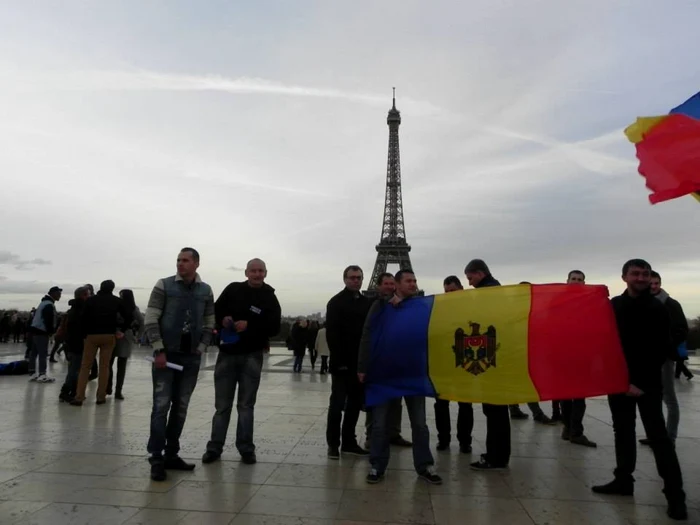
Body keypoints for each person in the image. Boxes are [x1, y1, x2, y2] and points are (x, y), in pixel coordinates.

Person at [592, 259, 686, 521]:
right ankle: (623, 481)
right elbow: (606, 342)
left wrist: (638, 384)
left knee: (659, 439)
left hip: (646, 386)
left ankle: (675, 496)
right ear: (624, 277)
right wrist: (619, 379)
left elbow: (659, 350)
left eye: (645, 274)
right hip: (619, 382)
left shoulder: (658, 309)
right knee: (622, 432)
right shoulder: (614, 307)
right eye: (636, 273)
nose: (642, 278)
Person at [358, 270, 442, 485]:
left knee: (420, 424)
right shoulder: (381, 306)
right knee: (380, 424)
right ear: (396, 284)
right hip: (385, 372)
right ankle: (377, 465)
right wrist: (362, 366)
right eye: (409, 281)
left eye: (415, 280)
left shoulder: (421, 306)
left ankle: (424, 466)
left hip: (412, 371)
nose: (413, 284)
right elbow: (368, 335)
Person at [144, 248, 215, 481]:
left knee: (181, 406)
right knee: (161, 406)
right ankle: (156, 456)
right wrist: (158, 348)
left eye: (185, 260)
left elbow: (209, 321)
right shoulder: (164, 285)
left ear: (196, 263)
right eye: (178, 260)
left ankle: (171, 454)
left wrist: (201, 348)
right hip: (166, 354)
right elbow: (151, 317)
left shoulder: (205, 290)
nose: (180, 264)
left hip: (190, 356)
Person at [203, 258, 281, 465]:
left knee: (246, 406)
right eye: (253, 271)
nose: (257, 274)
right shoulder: (232, 289)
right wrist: (225, 320)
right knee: (222, 406)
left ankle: (245, 448)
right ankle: (215, 446)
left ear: (266, 273)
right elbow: (216, 311)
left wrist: (250, 325)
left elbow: (274, 327)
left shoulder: (269, 297)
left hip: (251, 355)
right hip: (228, 353)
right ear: (246, 272)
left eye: (260, 271)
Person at [463, 260, 511, 471]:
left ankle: (496, 456)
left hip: (492, 361)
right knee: (496, 410)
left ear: (480, 273)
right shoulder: (495, 290)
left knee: (494, 411)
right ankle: (498, 454)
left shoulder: (487, 293)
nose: (470, 283)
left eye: (470, 278)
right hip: (495, 358)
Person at [325, 265, 372, 459]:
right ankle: (333, 444)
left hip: (359, 363)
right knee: (337, 405)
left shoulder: (366, 303)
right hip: (342, 363)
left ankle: (349, 442)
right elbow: (332, 335)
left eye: (359, 277)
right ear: (345, 279)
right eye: (352, 277)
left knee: (353, 405)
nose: (356, 280)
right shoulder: (335, 302)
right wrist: (340, 361)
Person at [639, 271, 688, 445]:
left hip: (664, 358)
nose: (653, 286)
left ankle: (670, 437)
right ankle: (656, 435)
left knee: (669, 397)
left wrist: (665, 347)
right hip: (647, 358)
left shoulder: (670, 304)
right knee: (653, 398)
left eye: (656, 283)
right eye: (650, 283)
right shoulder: (643, 303)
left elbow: (681, 330)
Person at [363, 273, 412, 450]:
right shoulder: (375, 304)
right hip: (378, 361)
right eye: (386, 283)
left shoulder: (400, 305)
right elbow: (367, 334)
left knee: (395, 401)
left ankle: (393, 433)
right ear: (378, 286)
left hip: (396, 362)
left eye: (392, 283)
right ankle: (371, 436)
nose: (390, 287)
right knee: (376, 401)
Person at [554, 270, 598, 447]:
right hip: (564, 354)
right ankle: (570, 428)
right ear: (567, 281)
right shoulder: (558, 302)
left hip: (582, 355)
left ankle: (575, 430)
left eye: (580, 280)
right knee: (566, 394)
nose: (576, 282)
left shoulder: (589, 302)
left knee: (579, 395)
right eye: (574, 279)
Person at [71, 280, 131, 406]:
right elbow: (128, 316)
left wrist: (84, 335)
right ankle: (101, 396)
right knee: (105, 367)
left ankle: (79, 396)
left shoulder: (91, 300)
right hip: (109, 335)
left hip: (91, 335)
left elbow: (83, 318)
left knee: (85, 366)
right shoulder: (117, 301)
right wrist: (122, 330)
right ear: (112, 288)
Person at [434, 275, 475, 452]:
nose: (449, 294)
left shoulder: (470, 309)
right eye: (447, 291)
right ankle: (445, 439)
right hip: (445, 361)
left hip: (463, 361)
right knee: (442, 403)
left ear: (461, 289)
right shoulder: (441, 309)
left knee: (464, 403)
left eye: (452, 290)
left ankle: (464, 440)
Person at [508, 282, 557, 425]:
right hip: (517, 351)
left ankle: (515, 409)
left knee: (522, 381)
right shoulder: (517, 310)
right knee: (526, 381)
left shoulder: (529, 308)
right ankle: (535, 413)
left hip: (525, 350)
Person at [107, 289, 144, 400]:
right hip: (126, 335)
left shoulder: (116, 306)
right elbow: (142, 322)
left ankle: (108, 387)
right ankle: (118, 391)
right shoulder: (134, 308)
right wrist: (138, 337)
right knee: (121, 366)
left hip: (114, 334)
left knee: (109, 363)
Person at [59, 287, 90, 402]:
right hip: (78, 343)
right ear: (84, 295)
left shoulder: (72, 310)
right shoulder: (81, 310)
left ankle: (73, 390)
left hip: (70, 343)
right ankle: (65, 391)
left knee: (74, 368)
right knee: (75, 369)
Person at [28, 286, 62, 383]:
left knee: (33, 353)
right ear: (53, 293)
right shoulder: (49, 304)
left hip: (35, 330)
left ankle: (32, 373)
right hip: (41, 331)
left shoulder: (43, 303)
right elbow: (48, 319)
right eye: (58, 294)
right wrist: (51, 331)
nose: (60, 296)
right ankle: (42, 374)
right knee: (42, 353)